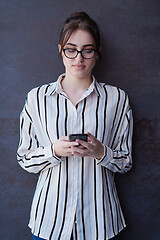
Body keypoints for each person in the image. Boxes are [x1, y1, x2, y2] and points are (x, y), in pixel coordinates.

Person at [17, 12, 133, 240]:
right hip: (50, 220)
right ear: (61, 50)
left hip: (100, 222)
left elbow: (126, 162)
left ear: (97, 53)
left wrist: (100, 152)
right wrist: (53, 152)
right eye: (71, 49)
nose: (78, 58)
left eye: (87, 50)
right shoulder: (36, 98)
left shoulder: (117, 99)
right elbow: (24, 159)